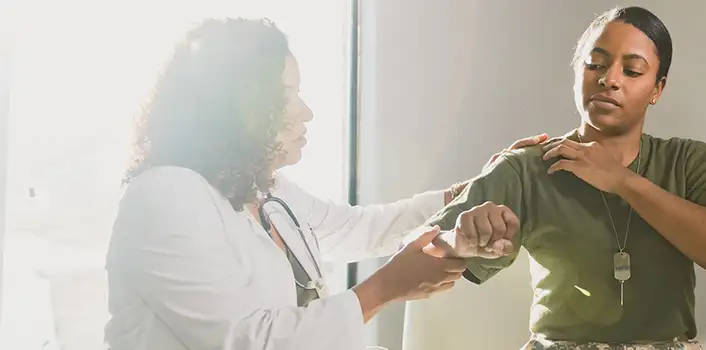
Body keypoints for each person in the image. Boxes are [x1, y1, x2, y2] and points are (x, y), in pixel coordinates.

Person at [104, 18, 536, 350]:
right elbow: (248, 341)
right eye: (287, 94)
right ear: (237, 107)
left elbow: (361, 228)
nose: (306, 112)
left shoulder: (265, 192)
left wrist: (481, 184)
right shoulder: (163, 197)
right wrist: (385, 288)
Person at [420, 6, 706, 350]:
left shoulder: (686, 162)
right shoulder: (527, 168)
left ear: (657, 89)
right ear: (576, 71)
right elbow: (421, 250)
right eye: (595, 64)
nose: (610, 79)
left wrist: (622, 181)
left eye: (632, 70)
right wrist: (459, 238)